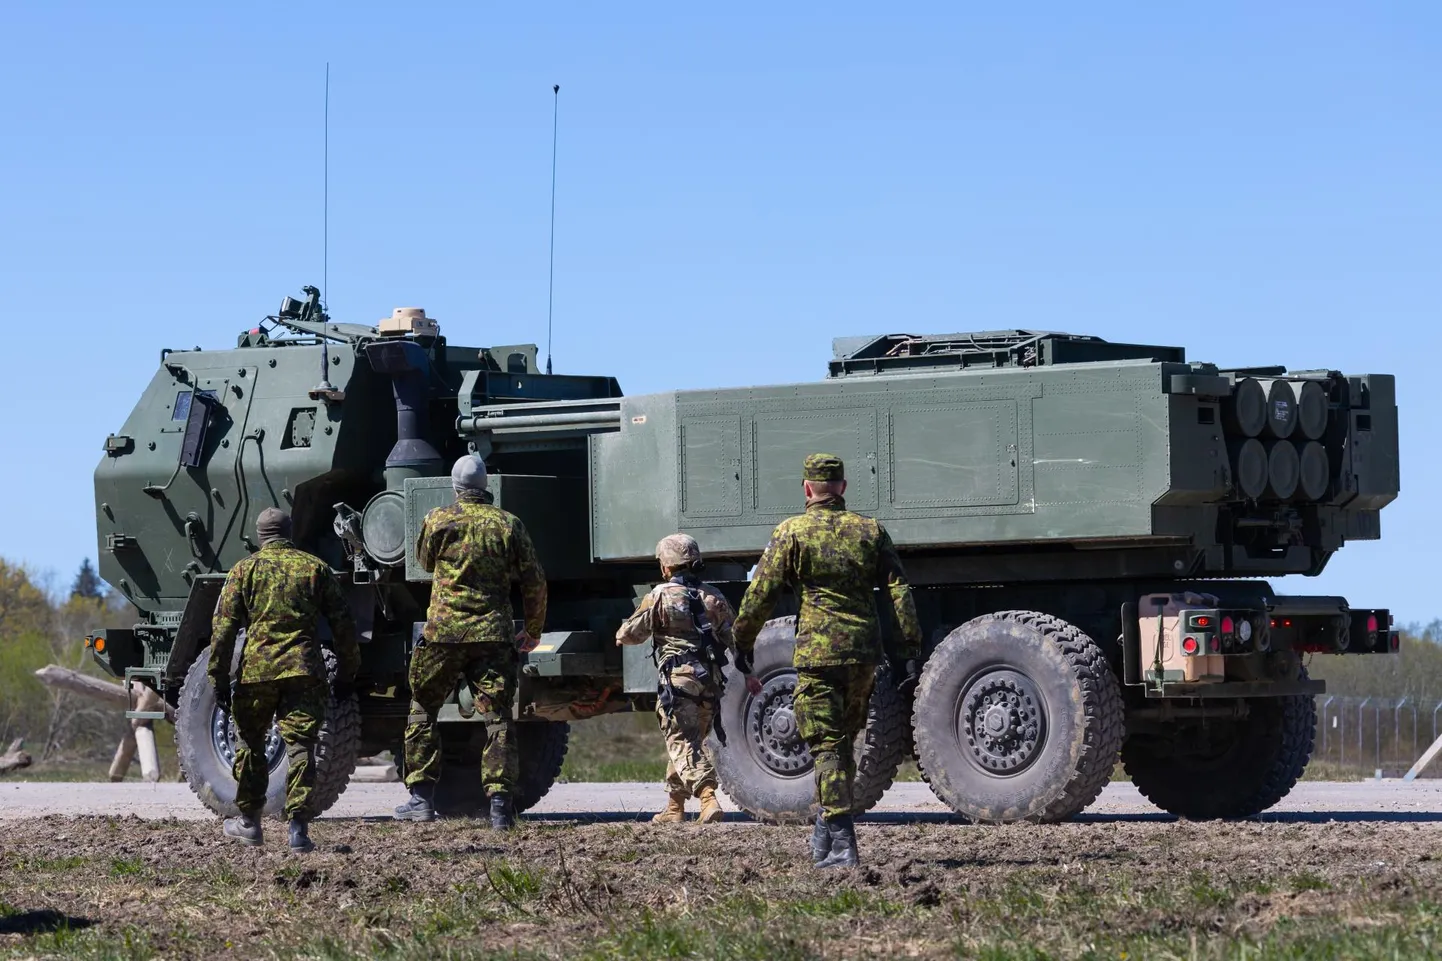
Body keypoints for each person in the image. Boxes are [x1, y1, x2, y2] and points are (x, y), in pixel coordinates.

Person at [731, 453, 922, 869]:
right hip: (863, 654)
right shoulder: (870, 530)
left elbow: (760, 593)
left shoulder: (791, 533)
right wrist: (909, 648)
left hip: (818, 654)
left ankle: (841, 844)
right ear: (842, 488)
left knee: (826, 745)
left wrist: (742, 641)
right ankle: (825, 829)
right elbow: (899, 592)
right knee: (841, 743)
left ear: (806, 489)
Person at [394, 454, 547, 829]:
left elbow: (425, 562)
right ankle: (498, 807)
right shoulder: (509, 524)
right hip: (493, 634)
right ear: (485, 486)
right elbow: (534, 582)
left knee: (422, 710)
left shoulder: (437, 520)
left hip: (443, 634)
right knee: (497, 718)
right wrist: (533, 629)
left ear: (455, 486)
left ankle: (421, 800)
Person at [210, 507, 360, 853]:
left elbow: (223, 631)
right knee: (302, 746)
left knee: (251, 744)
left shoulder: (244, 570)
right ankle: (298, 830)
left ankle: (249, 823)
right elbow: (343, 626)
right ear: (290, 531)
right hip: (304, 670)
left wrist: (218, 677)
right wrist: (348, 673)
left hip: (256, 673)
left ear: (260, 535)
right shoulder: (315, 568)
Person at [616, 534, 761, 824]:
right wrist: (749, 675)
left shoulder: (658, 596)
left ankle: (708, 798)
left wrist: (621, 633)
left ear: (666, 566)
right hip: (709, 683)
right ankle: (674, 806)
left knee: (682, 742)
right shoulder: (714, 597)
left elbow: (629, 635)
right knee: (689, 742)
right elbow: (737, 641)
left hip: (678, 682)